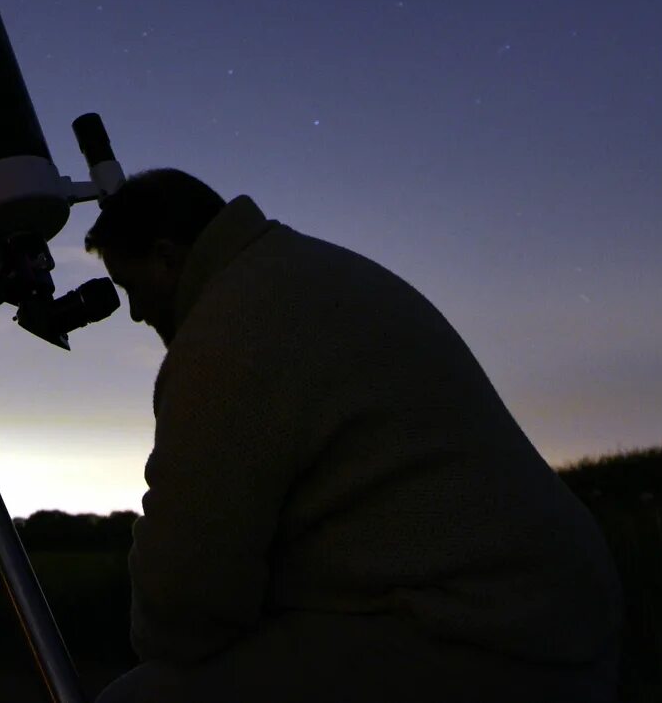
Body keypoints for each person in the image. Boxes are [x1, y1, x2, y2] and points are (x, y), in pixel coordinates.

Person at [87, 171, 622, 702]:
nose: (135, 313)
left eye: (131, 287)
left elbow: (185, 605)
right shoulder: (301, 271)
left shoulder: (224, 336)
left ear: (166, 257)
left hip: (475, 639)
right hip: (551, 619)